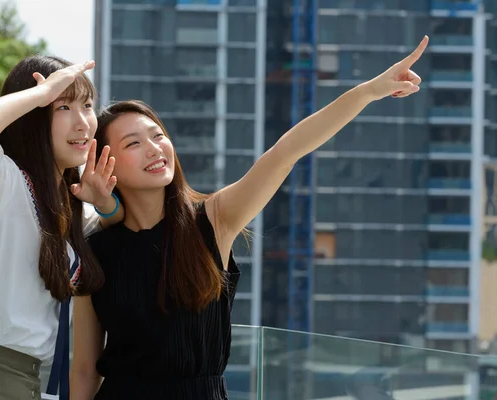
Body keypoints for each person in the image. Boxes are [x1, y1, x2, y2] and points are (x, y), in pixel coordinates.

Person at [70, 37, 429, 400]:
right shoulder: (95, 249)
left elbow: (286, 152)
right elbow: (84, 370)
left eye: (158, 135)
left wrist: (369, 91)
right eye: (133, 143)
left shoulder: (212, 219)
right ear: (103, 161)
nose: (154, 148)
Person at [0, 55, 123, 400]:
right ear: (33, 112)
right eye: (63, 107)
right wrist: (41, 95)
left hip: (26, 382)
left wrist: (104, 202)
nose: (83, 123)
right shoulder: (3, 181)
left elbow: (119, 226)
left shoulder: (68, 206)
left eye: (87, 106)